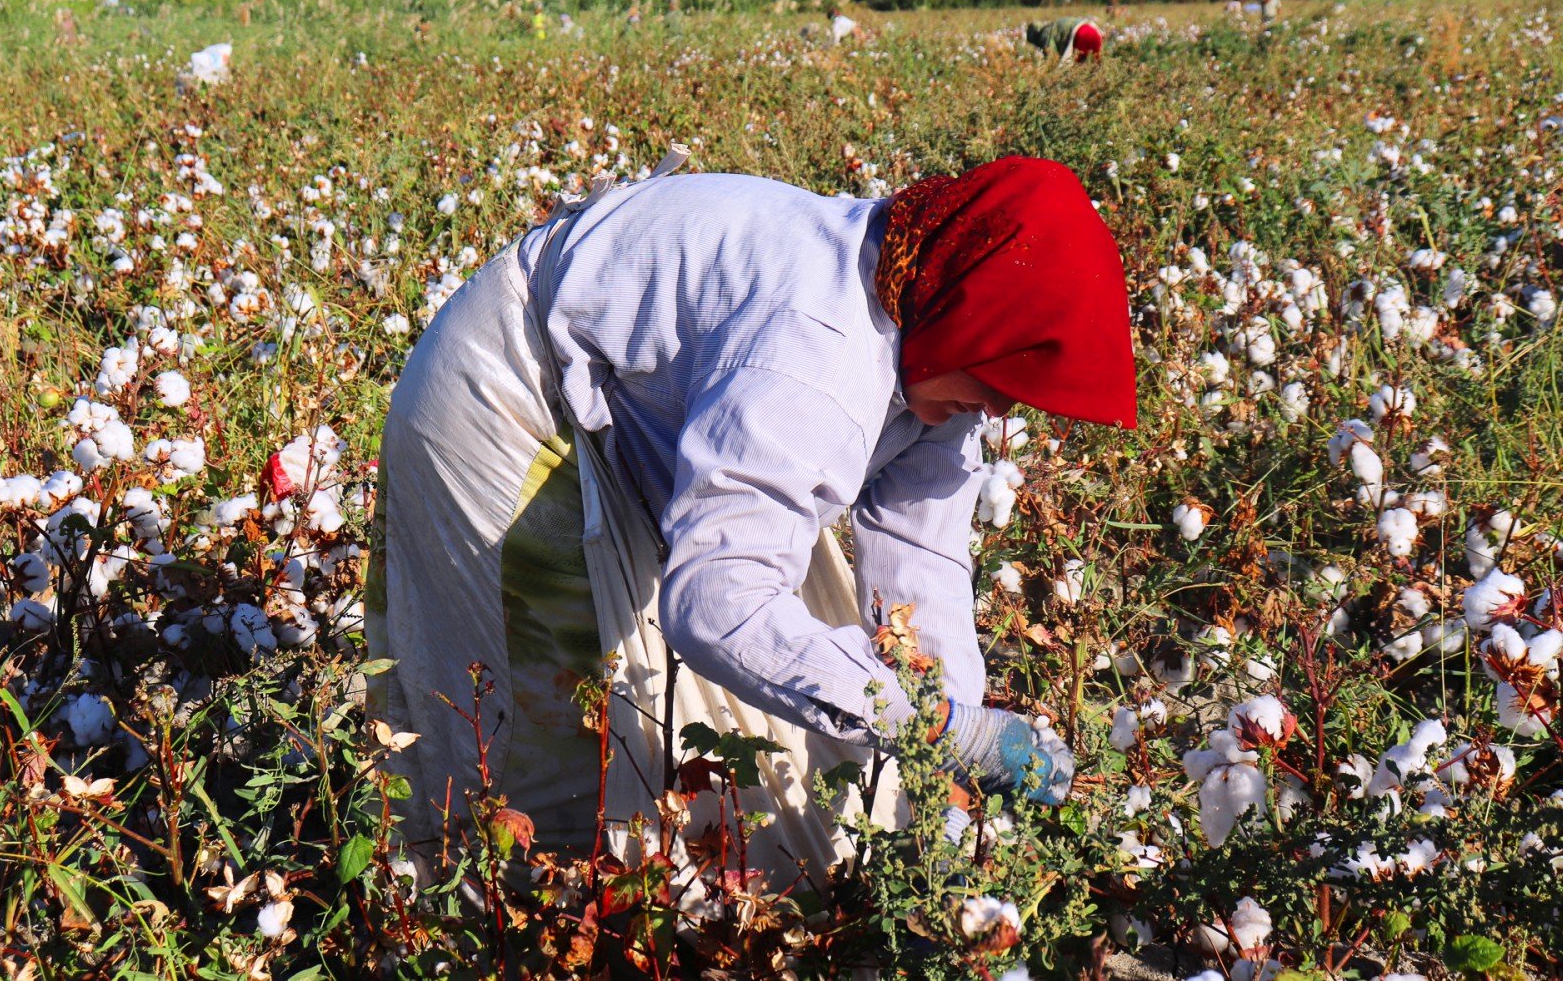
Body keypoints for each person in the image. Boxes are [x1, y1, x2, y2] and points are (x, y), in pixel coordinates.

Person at [365, 153, 1137, 877]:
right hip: (512, 390)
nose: (1000, 406)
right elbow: (717, 604)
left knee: (628, 726)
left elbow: (921, 558)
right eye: (997, 376)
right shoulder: (816, 353)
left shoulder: (933, 327)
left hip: (615, 408)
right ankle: (488, 931)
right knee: (549, 729)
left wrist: (962, 725)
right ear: (964, 315)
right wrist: (930, 729)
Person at [1025, 15, 1104, 62]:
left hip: (1081, 36)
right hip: (1094, 31)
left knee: (1077, 68)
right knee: (1095, 65)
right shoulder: (1053, 25)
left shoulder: (1045, 34)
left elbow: (1051, 54)